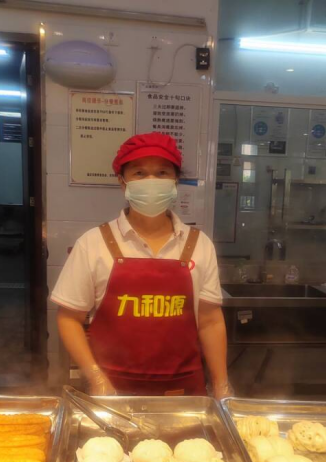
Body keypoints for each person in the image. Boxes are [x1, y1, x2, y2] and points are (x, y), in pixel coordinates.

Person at [51, 132, 232, 398]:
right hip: (111, 391)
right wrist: (96, 378)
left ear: (175, 180)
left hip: (183, 394)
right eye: (139, 173)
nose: (151, 181)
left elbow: (210, 322)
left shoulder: (199, 244)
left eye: (162, 172)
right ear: (122, 182)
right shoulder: (93, 243)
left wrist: (221, 387)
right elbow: (69, 318)